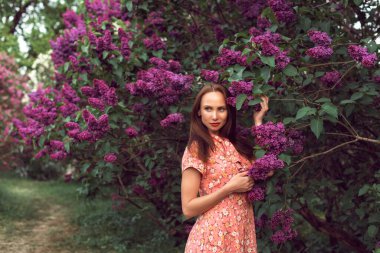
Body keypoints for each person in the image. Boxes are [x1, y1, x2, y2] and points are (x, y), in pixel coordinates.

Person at [181, 83, 269, 253]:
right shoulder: (196, 149)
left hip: (241, 237)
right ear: (199, 112)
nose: (214, 116)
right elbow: (188, 208)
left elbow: (267, 169)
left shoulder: (236, 145)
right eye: (208, 109)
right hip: (212, 241)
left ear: (228, 111)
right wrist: (229, 188)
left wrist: (258, 122)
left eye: (221, 109)